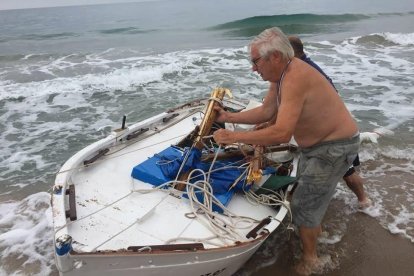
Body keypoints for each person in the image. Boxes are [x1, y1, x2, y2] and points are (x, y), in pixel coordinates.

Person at [212, 27, 360, 275]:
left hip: (335, 147)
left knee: (304, 204)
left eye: (256, 61)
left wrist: (232, 136)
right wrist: (228, 116)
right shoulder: (280, 76)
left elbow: (281, 133)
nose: (253, 68)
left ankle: (312, 260)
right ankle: (314, 234)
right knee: (307, 195)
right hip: (315, 145)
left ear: (276, 57)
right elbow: (266, 112)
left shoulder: (295, 77)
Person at [288, 35, 371, 209]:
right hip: (334, 128)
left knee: (347, 172)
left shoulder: (306, 71)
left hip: (333, 134)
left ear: (291, 52)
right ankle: (362, 200)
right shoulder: (305, 66)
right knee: (345, 170)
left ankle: (363, 200)